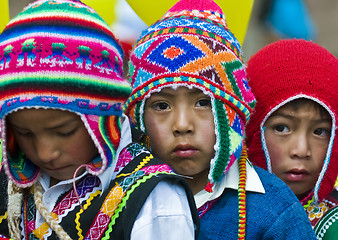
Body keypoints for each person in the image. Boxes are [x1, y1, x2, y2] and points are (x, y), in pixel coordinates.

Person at [0, 0, 199, 239]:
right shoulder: (12, 180)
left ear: (104, 116)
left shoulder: (157, 205)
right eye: (25, 133)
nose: (45, 153)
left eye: (64, 132)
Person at [123, 0, 316, 239]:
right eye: (162, 106)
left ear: (232, 111)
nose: (182, 125)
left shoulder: (275, 212)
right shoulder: (117, 200)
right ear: (138, 115)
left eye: (203, 103)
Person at [245, 39, 338, 239]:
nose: (302, 150)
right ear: (250, 129)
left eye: (320, 132)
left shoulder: (333, 226)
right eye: (282, 128)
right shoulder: (217, 210)